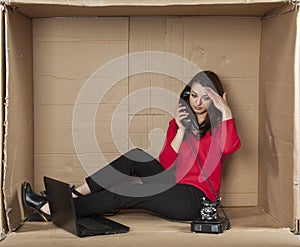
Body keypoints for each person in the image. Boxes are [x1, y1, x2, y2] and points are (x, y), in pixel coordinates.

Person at [22, 70, 241, 223]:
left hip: (195, 198)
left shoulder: (221, 126)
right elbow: (166, 164)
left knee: (127, 190)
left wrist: (226, 110)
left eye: (205, 98)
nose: (198, 103)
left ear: (216, 101)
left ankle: (55, 209)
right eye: (194, 95)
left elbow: (230, 147)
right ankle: (78, 194)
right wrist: (182, 130)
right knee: (135, 157)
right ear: (187, 94)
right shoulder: (177, 123)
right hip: (174, 183)